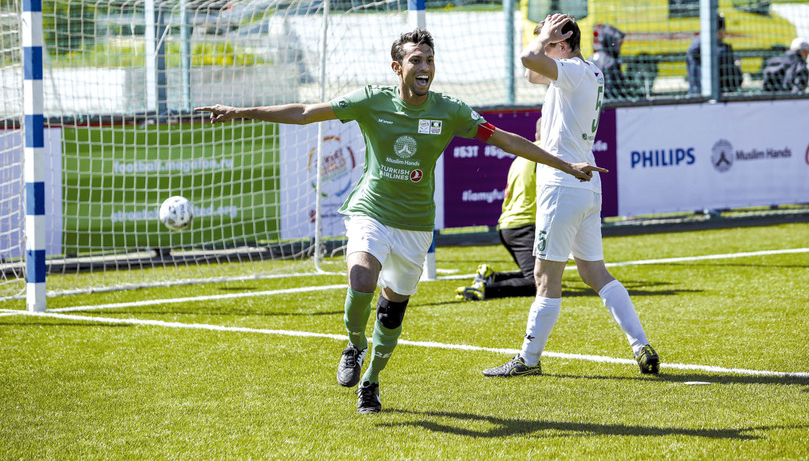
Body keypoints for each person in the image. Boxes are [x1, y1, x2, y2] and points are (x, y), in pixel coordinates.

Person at [195, 28, 606, 414]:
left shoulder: (449, 110)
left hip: (415, 226)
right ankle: (355, 345)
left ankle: (371, 380)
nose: (425, 67)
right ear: (397, 67)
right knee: (361, 277)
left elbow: (504, 139)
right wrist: (241, 111)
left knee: (391, 312)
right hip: (371, 210)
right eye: (416, 60)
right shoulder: (372, 100)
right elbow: (304, 112)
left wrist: (566, 164)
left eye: (429, 60)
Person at [483, 14, 660, 379]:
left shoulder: (574, 71)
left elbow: (529, 60)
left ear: (562, 45)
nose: (544, 48)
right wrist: (543, 40)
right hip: (583, 183)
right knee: (595, 272)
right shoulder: (588, 71)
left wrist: (543, 41)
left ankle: (528, 359)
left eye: (551, 43)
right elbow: (532, 73)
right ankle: (640, 344)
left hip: (562, 184)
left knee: (545, 277)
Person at [455, 117, 542, 301]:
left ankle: (491, 278)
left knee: (541, 273)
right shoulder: (547, 154)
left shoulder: (524, 154)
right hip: (524, 226)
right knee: (538, 282)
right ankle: (484, 291)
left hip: (510, 225)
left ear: (536, 135)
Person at [686, 14, 743, 95]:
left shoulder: (693, 47)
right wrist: (737, 67)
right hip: (719, 96)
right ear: (721, 31)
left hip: (695, 95)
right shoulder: (723, 50)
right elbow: (733, 81)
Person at [588, 24, 641, 100]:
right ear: (611, 41)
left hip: (592, 101)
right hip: (608, 103)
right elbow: (612, 89)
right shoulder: (610, 62)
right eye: (618, 43)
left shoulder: (589, 59)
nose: (619, 47)